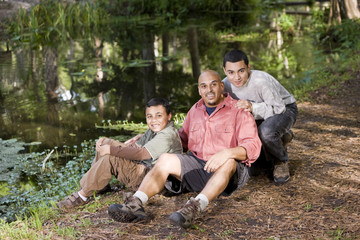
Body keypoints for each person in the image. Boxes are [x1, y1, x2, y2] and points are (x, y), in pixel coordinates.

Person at [107, 70, 262, 228]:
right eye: (204, 86)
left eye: (213, 85)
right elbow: (180, 140)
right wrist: (149, 140)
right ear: (199, 90)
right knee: (166, 159)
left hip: (228, 174)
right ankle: (136, 204)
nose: (209, 90)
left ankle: (194, 208)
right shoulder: (195, 111)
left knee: (229, 162)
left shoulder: (238, 110)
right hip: (197, 166)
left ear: (222, 86)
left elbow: (253, 147)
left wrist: (227, 152)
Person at [56, 98, 183, 209]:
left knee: (111, 157)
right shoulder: (155, 129)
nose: (154, 120)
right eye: (149, 116)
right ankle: (100, 185)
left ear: (169, 116)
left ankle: (82, 196)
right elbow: (134, 147)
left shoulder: (167, 135)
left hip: (156, 181)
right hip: (145, 168)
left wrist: (111, 150)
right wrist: (109, 144)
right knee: (107, 142)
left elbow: (141, 154)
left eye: (159, 115)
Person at [222, 49, 298, 183]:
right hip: (258, 116)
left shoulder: (261, 81)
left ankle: (281, 161)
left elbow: (278, 108)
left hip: (285, 110)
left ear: (248, 67)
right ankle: (282, 137)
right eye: (231, 72)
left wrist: (252, 107)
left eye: (241, 71)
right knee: (256, 170)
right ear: (224, 71)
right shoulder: (225, 86)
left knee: (266, 133)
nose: (237, 77)